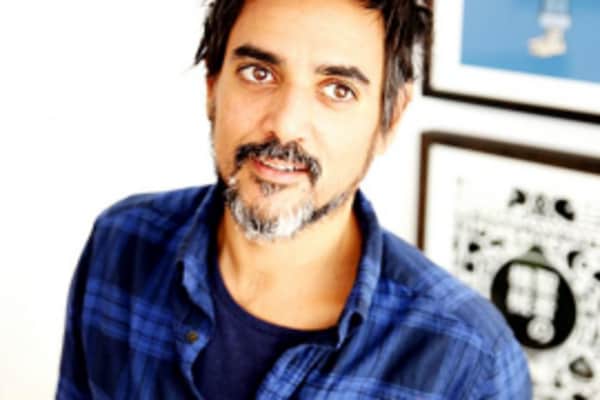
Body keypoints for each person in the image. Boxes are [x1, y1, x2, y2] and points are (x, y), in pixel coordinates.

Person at [56, 0, 532, 398]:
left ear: (389, 118)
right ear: (212, 85)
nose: (285, 125)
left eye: (337, 89)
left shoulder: (470, 362)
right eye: (259, 73)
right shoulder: (120, 244)